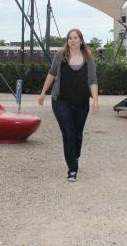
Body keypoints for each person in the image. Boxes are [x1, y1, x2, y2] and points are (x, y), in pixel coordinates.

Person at [38, 29, 99, 182]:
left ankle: (75, 156)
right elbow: (52, 73)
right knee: (68, 134)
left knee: (77, 135)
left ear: (81, 40)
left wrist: (95, 100)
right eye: (70, 38)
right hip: (61, 101)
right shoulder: (60, 55)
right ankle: (72, 169)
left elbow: (92, 80)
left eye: (75, 38)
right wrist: (43, 92)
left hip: (81, 102)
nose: (72, 40)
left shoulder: (88, 59)